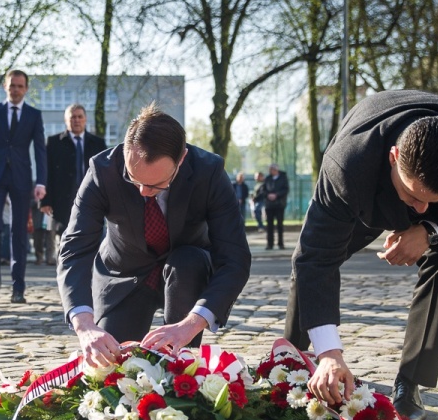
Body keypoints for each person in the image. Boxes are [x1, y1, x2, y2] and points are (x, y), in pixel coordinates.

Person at [283, 90, 438, 420]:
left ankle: (410, 382)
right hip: (369, 198)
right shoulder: (346, 166)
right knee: (309, 266)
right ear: (394, 156)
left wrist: (430, 229)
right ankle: (291, 359)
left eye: (430, 200)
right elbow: (315, 258)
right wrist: (330, 353)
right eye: (411, 195)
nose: (418, 209)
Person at [57, 104, 251, 367]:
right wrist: (84, 324)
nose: (142, 192)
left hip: (186, 272)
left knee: (175, 366)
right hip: (124, 275)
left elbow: (235, 257)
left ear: (181, 160)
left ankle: (182, 362)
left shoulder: (210, 172)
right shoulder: (102, 171)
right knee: (115, 369)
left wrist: (191, 324)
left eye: (156, 185)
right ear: (125, 151)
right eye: (133, 179)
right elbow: (75, 248)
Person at [0, 69, 47, 304]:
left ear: (26, 89)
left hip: (22, 178)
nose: (16, 90)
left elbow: (40, 150)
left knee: (18, 232)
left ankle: (18, 287)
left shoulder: (34, 115)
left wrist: (41, 182)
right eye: (12, 85)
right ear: (5, 87)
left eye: (20, 86)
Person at [40, 103, 107, 259]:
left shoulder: (97, 143)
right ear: (66, 120)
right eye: (72, 117)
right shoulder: (53, 142)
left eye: (79, 117)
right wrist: (45, 200)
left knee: (90, 239)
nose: (76, 120)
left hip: (92, 199)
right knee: (64, 240)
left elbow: (105, 173)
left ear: (85, 119)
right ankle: (66, 275)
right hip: (62, 200)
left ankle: (87, 277)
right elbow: (46, 172)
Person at [263, 164, 289, 249]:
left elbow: (286, 189)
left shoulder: (283, 178)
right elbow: (263, 190)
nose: (270, 171)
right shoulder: (268, 179)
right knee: (269, 225)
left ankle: (280, 243)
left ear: (276, 170)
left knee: (280, 225)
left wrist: (276, 195)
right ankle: (270, 244)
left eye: (272, 169)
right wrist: (268, 195)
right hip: (269, 205)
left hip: (279, 205)